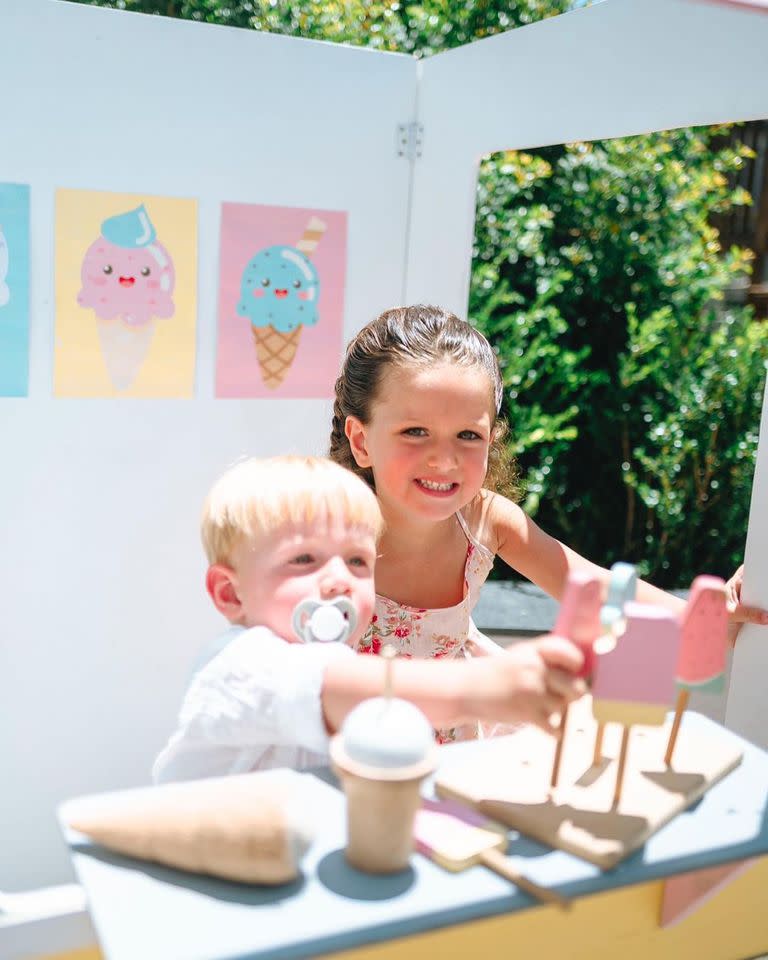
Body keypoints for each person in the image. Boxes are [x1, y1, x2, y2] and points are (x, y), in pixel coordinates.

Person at [328, 304, 765, 689]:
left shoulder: (488, 522)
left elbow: (599, 593)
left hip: (455, 746)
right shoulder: (324, 529)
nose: (444, 460)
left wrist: (711, 618)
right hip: (349, 746)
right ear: (362, 441)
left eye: (467, 435)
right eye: (415, 432)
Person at [153, 455, 586, 783]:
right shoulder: (239, 665)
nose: (340, 580)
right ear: (230, 594)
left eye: (358, 561)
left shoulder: (350, 665)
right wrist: (482, 687)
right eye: (304, 559)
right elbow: (337, 687)